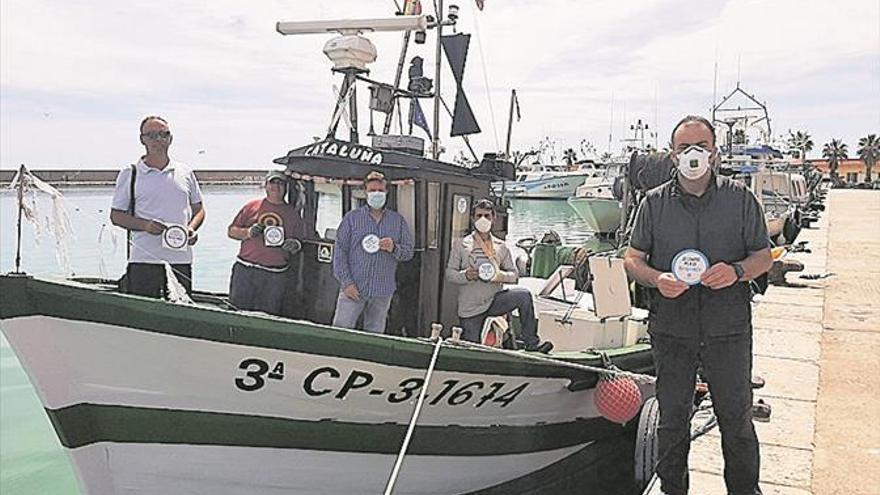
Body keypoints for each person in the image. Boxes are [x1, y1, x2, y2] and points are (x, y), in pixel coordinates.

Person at [624, 115, 772, 495]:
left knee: (736, 420)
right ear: (673, 156)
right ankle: (673, 489)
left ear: (715, 153)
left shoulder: (741, 199)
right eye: (684, 148)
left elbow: (764, 257)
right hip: (672, 330)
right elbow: (633, 258)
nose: (693, 154)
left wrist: (737, 271)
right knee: (672, 421)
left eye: (701, 147)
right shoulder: (653, 205)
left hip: (729, 329)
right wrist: (657, 278)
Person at [110, 115, 205, 298]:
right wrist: (145, 225)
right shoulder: (130, 173)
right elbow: (116, 216)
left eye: (163, 134)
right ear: (142, 139)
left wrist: (191, 229)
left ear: (170, 138)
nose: (158, 140)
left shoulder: (185, 172)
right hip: (143, 260)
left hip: (180, 259)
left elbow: (199, 208)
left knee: (181, 314)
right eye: (152, 135)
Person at [446, 199, 552, 353]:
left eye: (487, 216)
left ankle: (532, 343)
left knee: (524, 296)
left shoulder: (501, 246)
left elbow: (514, 275)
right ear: (473, 219)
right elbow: (450, 274)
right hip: (470, 307)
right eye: (479, 215)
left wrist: (499, 276)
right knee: (471, 351)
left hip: (494, 301)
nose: (483, 219)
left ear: (494, 219)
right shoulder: (461, 244)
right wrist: (466, 275)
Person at [331, 171, 414, 332]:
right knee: (340, 331)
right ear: (365, 192)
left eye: (380, 191)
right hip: (353, 289)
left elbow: (408, 252)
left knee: (375, 334)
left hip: (382, 291)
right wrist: (347, 283)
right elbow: (340, 253)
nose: (376, 194)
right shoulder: (351, 219)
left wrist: (394, 248)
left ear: (386, 192)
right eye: (372, 191)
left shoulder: (398, 221)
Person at [227, 170, 305, 315]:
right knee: (236, 313)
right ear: (265, 185)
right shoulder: (251, 206)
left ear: (286, 187)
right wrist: (248, 232)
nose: (276, 186)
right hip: (245, 271)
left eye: (280, 183)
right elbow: (231, 231)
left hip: (275, 275)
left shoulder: (293, 214)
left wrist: (294, 245)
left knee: (269, 315)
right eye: (272, 182)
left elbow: (300, 242)